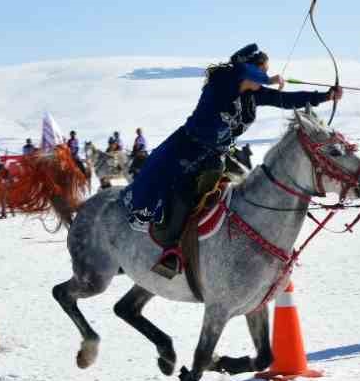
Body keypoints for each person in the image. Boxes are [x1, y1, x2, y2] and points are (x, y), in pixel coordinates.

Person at [123, 44, 339, 277]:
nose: (264, 77)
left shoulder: (252, 95)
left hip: (216, 156)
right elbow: (240, 68)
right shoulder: (222, 83)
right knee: (185, 193)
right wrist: (267, 77)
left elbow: (285, 99)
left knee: (236, 193)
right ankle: (171, 250)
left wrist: (326, 96)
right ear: (249, 69)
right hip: (187, 148)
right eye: (262, 70)